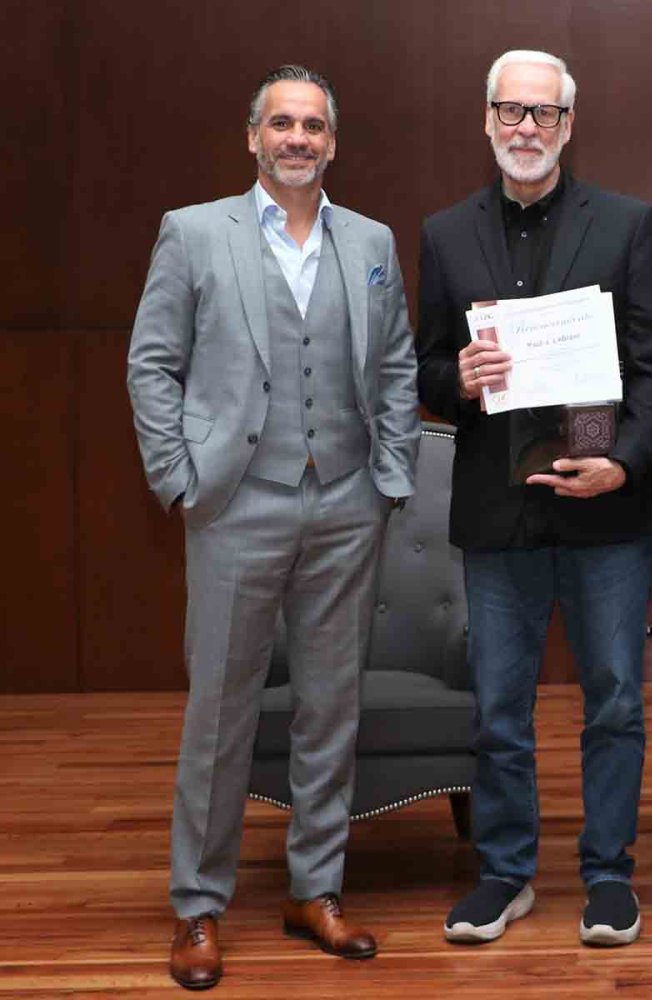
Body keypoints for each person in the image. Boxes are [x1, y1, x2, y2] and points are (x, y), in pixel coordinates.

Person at [126, 64, 420, 990]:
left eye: (315, 127)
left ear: (333, 143)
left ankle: (315, 890)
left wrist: (391, 476)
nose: (299, 139)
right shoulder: (193, 232)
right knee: (221, 711)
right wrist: (180, 481)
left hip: (344, 506)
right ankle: (199, 906)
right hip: (235, 503)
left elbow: (400, 364)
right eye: (282, 124)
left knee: (332, 708)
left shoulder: (369, 240)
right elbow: (151, 366)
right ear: (253, 137)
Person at [415, 49, 652, 948]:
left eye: (544, 114)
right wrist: (464, 379)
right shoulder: (445, 233)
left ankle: (608, 876)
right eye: (511, 112)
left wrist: (628, 464)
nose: (526, 128)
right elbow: (424, 369)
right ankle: (504, 873)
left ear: (569, 125)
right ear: (487, 120)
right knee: (499, 707)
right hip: (498, 511)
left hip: (606, 508)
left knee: (613, 700)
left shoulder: (628, 223)